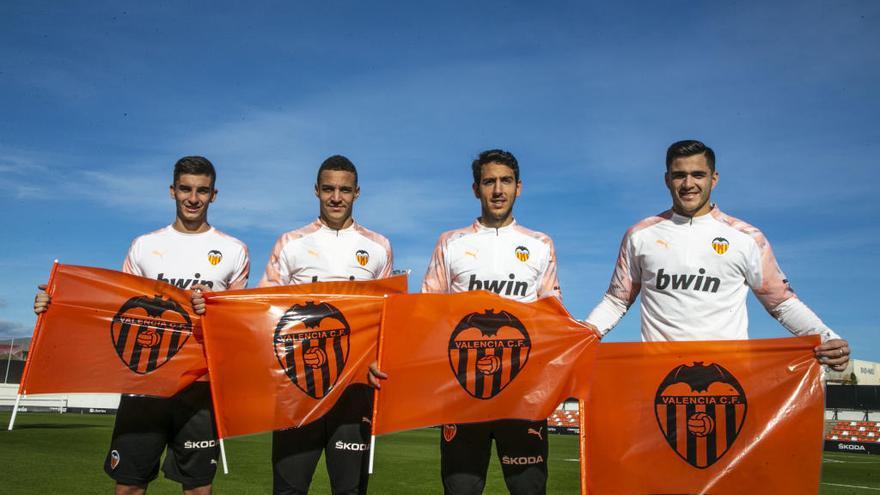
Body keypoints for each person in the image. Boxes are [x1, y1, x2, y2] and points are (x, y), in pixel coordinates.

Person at [34, 156, 250, 495]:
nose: (193, 198)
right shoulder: (144, 246)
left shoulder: (234, 251)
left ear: (214, 195)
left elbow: (238, 323)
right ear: (172, 191)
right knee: (130, 487)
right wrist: (57, 304)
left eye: (202, 191)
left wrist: (213, 308)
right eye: (185, 189)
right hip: (143, 380)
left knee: (197, 488)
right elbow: (117, 309)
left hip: (200, 385)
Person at [584, 139, 850, 370]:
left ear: (714, 178)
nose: (688, 184)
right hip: (659, 375)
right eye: (679, 175)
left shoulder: (747, 238)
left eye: (698, 174)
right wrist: (579, 339)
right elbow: (616, 301)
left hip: (728, 374)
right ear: (667, 179)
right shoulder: (639, 235)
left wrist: (826, 337)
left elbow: (781, 302)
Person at [422, 149, 561, 495]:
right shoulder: (450, 243)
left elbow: (552, 318)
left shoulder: (540, 244)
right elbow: (426, 313)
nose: (498, 190)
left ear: (519, 188)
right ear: (476, 189)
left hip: (522, 394)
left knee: (530, 490)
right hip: (463, 392)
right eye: (489, 182)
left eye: (506, 181)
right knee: (461, 489)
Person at [256, 154, 393, 495]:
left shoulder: (378, 247)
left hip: (354, 390)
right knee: (288, 490)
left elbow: (388, 318)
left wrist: (381, 357)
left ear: (356, 193)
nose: (336, 197)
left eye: (344, 190)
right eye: (328, 189)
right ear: (316, 190)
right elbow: (262, 309)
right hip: (298, 388)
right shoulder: (290, 243)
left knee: (349, 491)